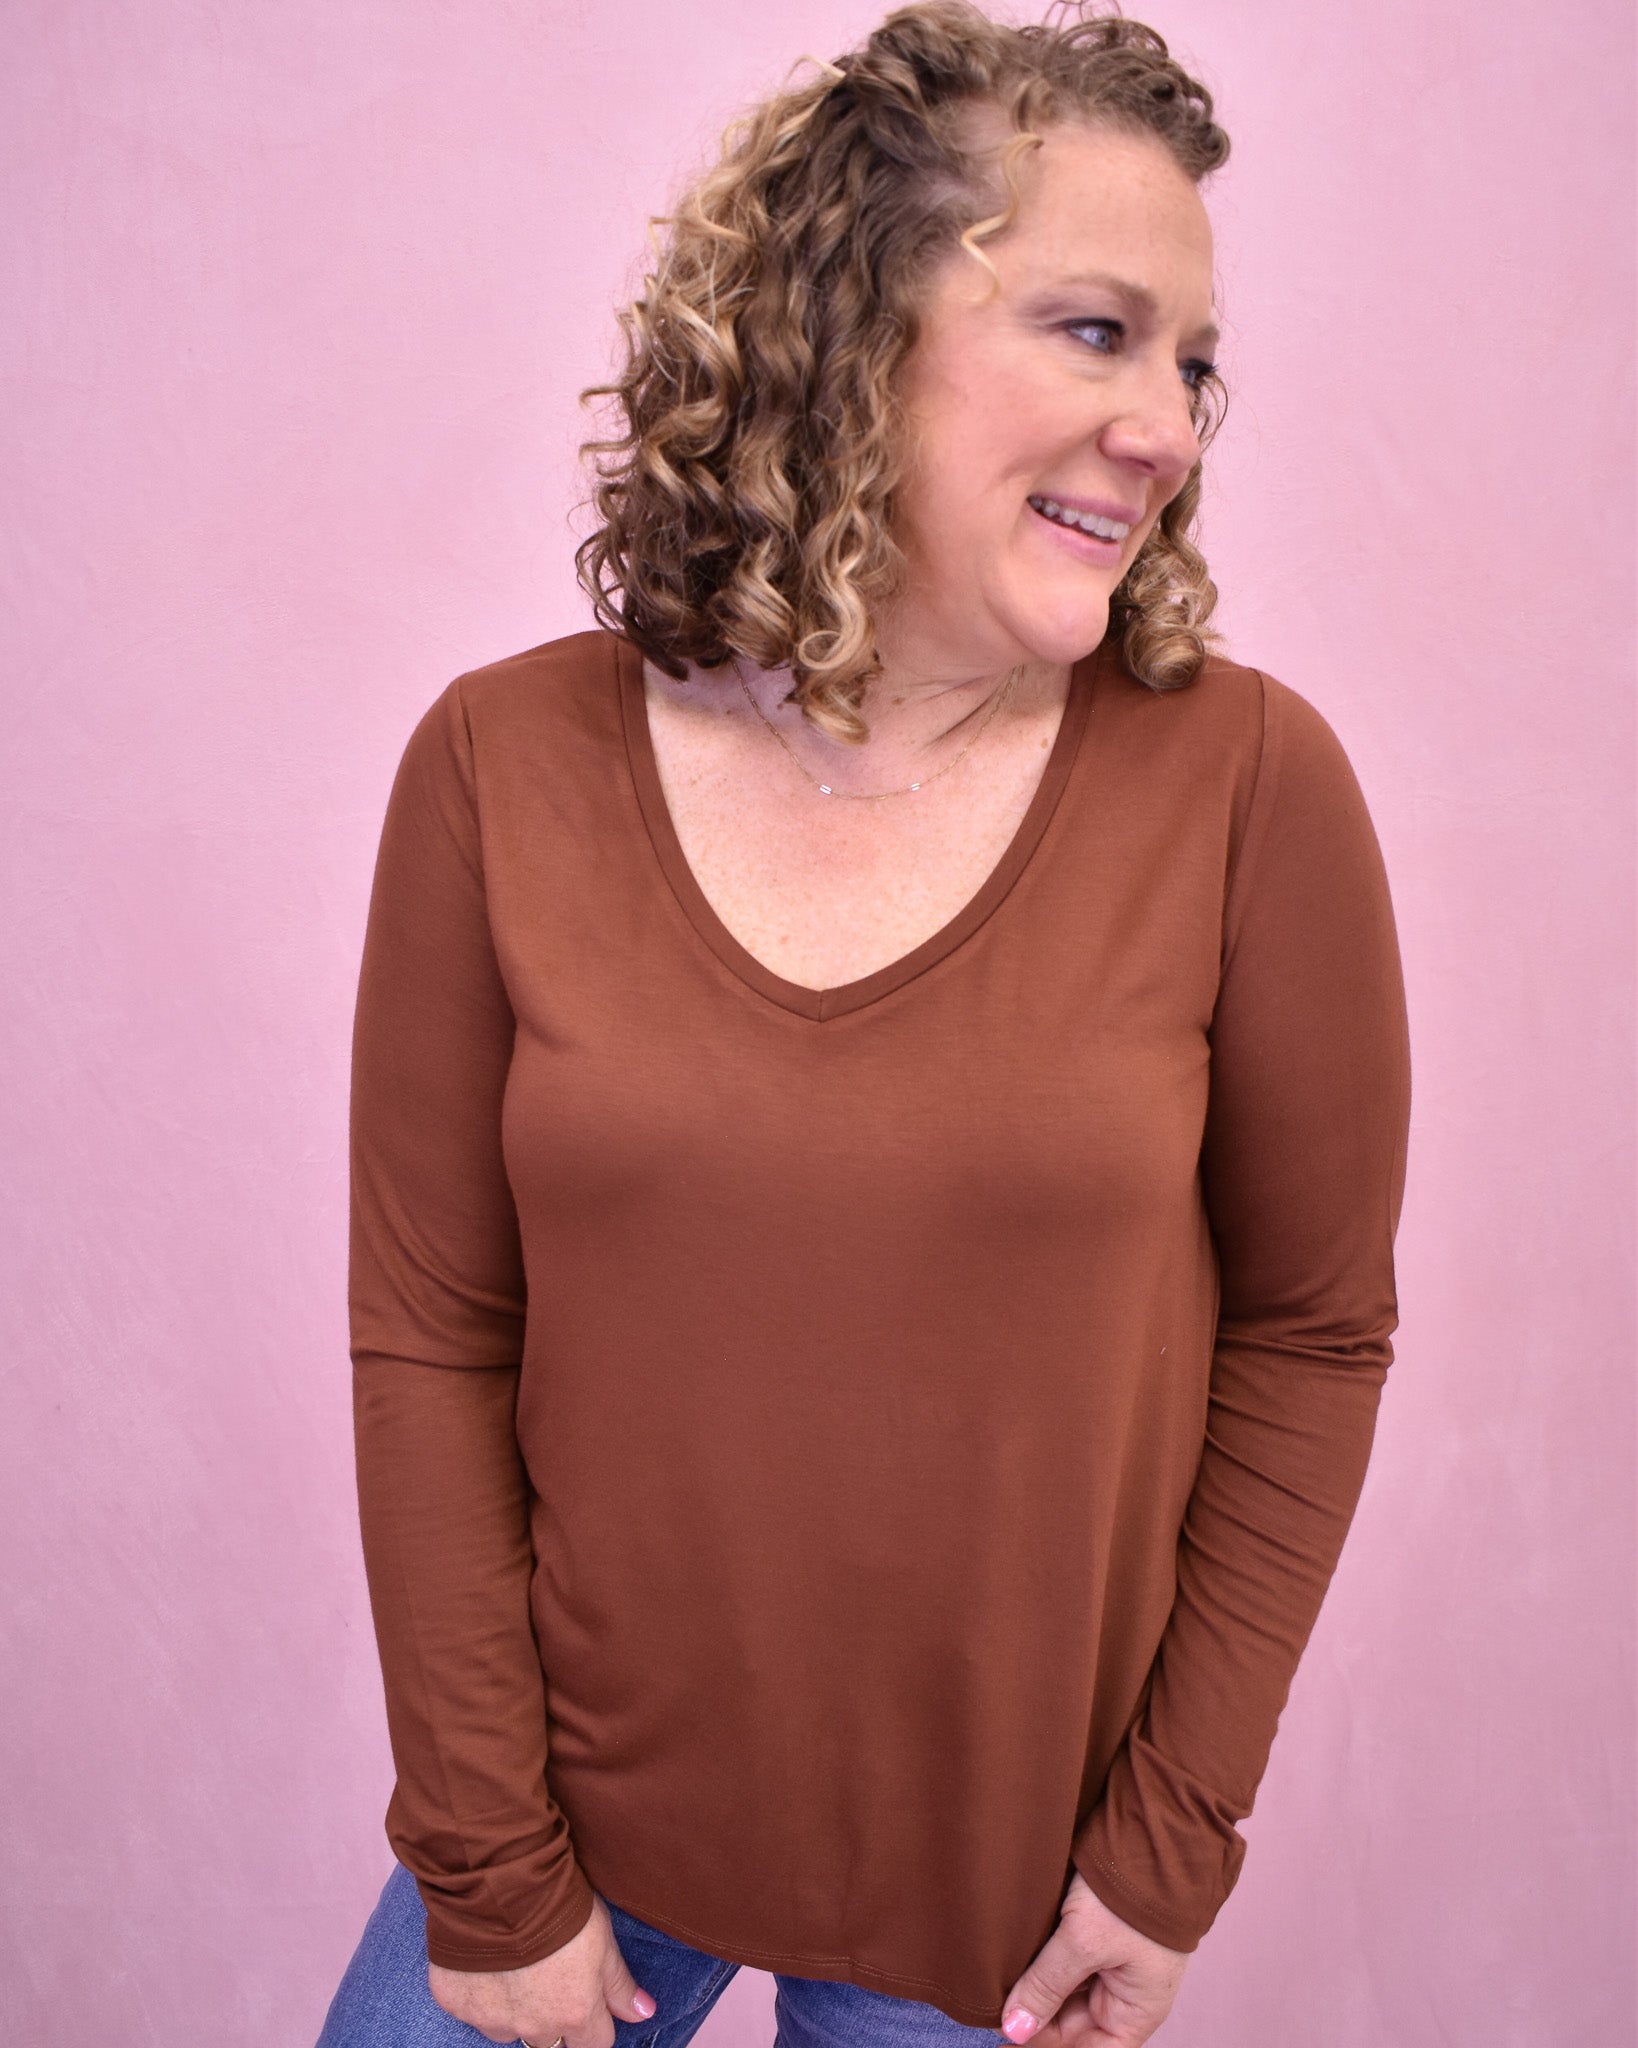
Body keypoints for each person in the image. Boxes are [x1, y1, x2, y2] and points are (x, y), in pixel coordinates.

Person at [317, 4, 1412, 2045]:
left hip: (1002, 1926)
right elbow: (434, 1331)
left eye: (1192, 364)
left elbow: (1311, 1328)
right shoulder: (500, 766)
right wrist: (487, 1865)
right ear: (850, 325)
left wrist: (1167, 1850)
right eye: (1097, 332)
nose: (1170, 424)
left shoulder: (1252, 789)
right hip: (566, 1848)